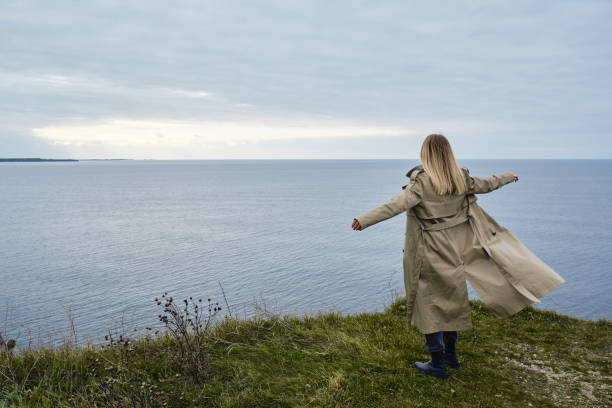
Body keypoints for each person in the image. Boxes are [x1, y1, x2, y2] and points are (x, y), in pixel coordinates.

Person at [351, 134, 565, 379]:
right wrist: (508, 176)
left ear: (426, 155)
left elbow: (394, 204)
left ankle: (437, 363)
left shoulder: (421, 183)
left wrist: (363, 220)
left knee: (429, 306)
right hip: (459, 247)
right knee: (452, 301)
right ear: (448, 153)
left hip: (430, 249)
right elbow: (488, 183)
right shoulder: (460, 178)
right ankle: (451, 356)